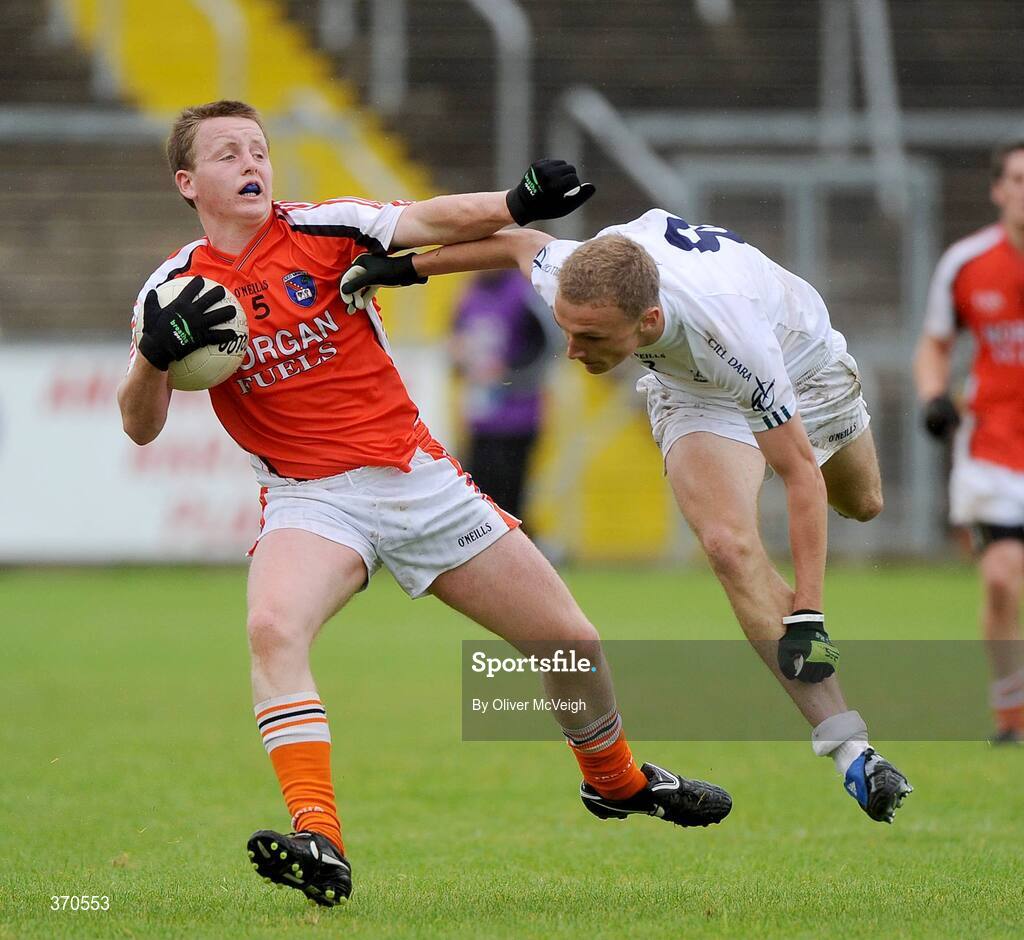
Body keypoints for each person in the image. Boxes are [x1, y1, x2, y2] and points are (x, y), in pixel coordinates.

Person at [117, 101, 732, 909]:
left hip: (416, 478)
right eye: (228, 152)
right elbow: (141, 426)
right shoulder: (170, 293)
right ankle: (319, 838)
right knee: (273, 628)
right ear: (188, 182)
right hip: (311, 499)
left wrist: (513, 205)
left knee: (568, 642)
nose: (250, 161)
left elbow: (421, 220)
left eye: (258, 147)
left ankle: (615, 782)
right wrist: (154, 360)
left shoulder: (324, 228)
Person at [342, 209, 915, 824]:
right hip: (692, 389)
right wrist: (405, 268)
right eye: (568, 330)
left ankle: (814, 653)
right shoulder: (572, 276)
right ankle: (851, 749)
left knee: (862, 503)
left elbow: (800, 473)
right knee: (728, 546)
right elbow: (515, 244)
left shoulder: (732, 337)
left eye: (590, 338)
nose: (572, 350)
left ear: (648, 320)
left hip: (797, 360)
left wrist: (808, 612)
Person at [914, 140, 1024, 744]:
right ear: (999, 189)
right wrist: (934, 395)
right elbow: (935, 343)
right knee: (1003, 577)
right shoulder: (967, 262)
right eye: (1018, 178)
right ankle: (1012, 715)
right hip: (994, 447)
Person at [450, 269, 555, 522]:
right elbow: (456, 344)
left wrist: (509, 374)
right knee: (478, 496)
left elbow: (548, 346)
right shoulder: (468, 293)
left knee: (509, 497)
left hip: (518, 415)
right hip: (481, 415)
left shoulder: (525, 292)